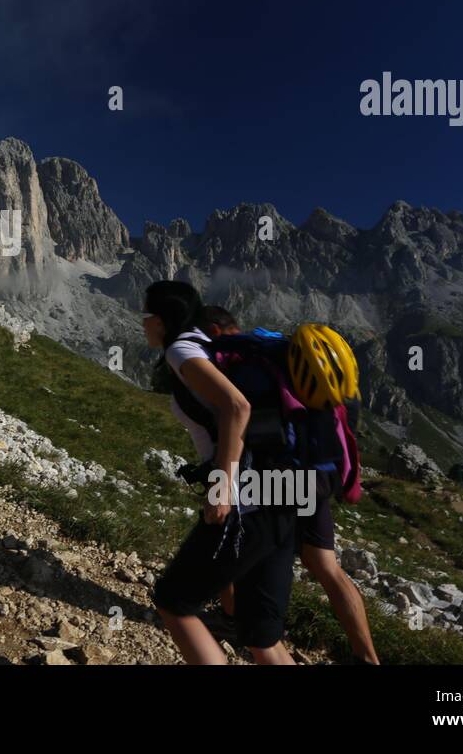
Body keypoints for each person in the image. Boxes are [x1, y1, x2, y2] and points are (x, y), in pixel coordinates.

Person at [199, 306, 380, 665]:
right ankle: (367, 656)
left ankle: (239, 623)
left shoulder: (239, 362)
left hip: (276, 482)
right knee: (326, 566)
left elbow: (234, 421)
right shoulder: (278, 353)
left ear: (215, 332)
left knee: (227, 542)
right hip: (319, 474)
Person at [142, 281, 298, 665]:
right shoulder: (210, 342)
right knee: (260, 634)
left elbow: (236, 407)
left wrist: (222, 486)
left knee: (174, 601)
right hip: (288, 487)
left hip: (249, 494)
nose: (142, 325)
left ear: (161, 321)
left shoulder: (182, 349)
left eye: (146, 318)